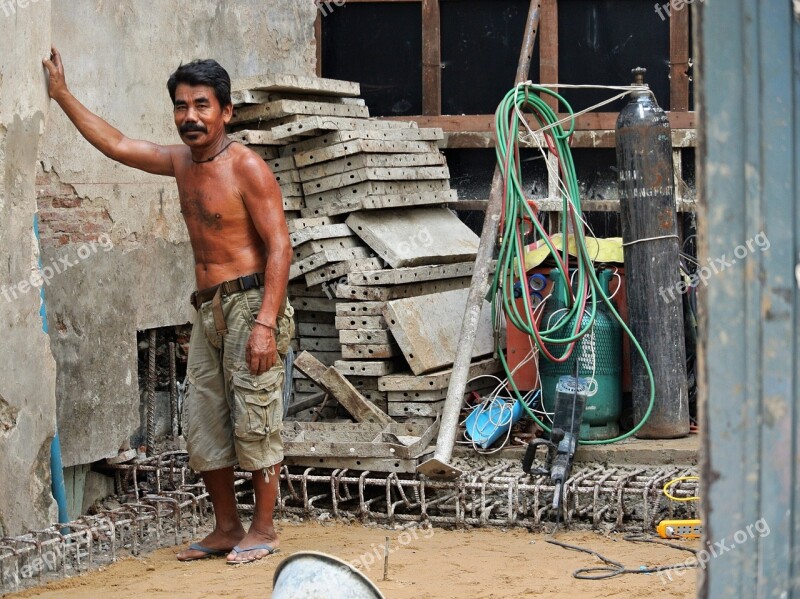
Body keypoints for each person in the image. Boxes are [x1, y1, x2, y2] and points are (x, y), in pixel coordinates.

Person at [43, 48, 294, 565]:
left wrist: (266, 322)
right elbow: (116, 144)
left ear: (225, 112)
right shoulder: (181, 161)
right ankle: (227, 527)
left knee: (256, 419)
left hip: (252, 306)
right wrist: (63, 95)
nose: (190, 117)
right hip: (206, 311)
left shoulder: (246, 166)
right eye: (181, 107)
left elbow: (280, 247)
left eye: (202, 105)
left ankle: (264, 529)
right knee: (203, 423)